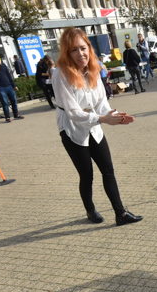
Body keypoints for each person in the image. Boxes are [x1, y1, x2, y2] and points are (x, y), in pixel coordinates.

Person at [52, 27, 142, 226]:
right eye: (74, 50)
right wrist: (103, 119)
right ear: (67, 52)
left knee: (108, 170)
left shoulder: (93, 69)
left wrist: (115, 116)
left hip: (94, 127)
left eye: (83, 48)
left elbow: (102, 102)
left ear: (89, 48)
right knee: (86, 175)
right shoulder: (59, 74)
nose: (80, 54)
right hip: (72, 131)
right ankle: (90, 210)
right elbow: (73, 113)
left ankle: (121, 214)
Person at [0, 53, 24, 123]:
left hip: (8, 85)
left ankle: (16, 114)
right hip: (0, 86)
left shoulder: (3, 64)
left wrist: (14, 85)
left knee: (14, 100)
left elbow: (8, 74)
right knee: (5, 102)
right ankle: (7, 117)